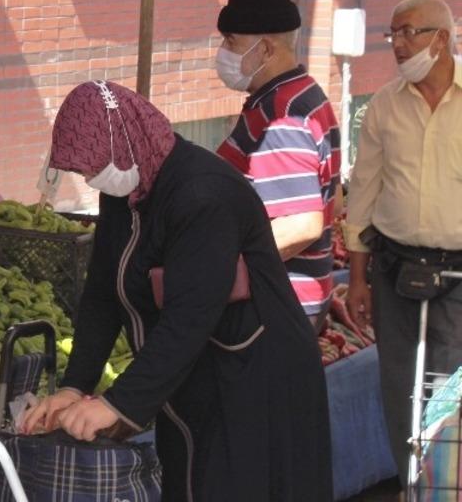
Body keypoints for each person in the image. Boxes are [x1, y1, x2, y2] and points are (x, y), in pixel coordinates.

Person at [21, 81, 331, 501]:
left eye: (95, 166)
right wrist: (74, 386)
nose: (92, 177)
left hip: (254, 378)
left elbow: (190, 317)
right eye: (85, 170)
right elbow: (101, 296)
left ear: (129, 140)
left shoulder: (203, 193)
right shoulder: (126, 189)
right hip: (194, 376)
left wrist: (116, 404)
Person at [343, 0, 462, 487]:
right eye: (392, 33)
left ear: (443, 37)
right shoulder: (384, 107)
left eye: (409, 31)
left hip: (458, 271)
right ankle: (411, 485)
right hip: (394, 268)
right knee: (399, 387)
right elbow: (363, 194)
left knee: (450, 388)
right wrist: (356, 279)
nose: (398, 44)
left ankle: (447, 488)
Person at [213, 0, 341, 327]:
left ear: (266, 49)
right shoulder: (306, 93)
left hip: (276, 302)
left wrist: (216, 266)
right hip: (296, 296)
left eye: (230, 41)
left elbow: (302, 224)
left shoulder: (283, 115)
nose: (222, 52)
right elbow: (336, 199)